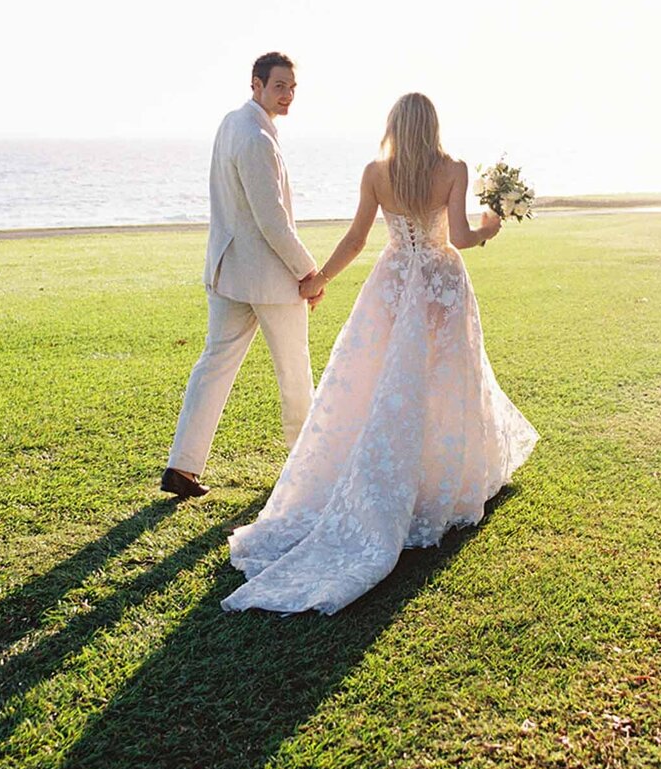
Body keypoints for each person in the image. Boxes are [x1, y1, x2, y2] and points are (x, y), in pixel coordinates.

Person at [222, 92, 538, 614]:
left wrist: (318, 278)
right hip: (439, 282)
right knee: (442, 379)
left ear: (394, 125)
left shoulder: (376, 172)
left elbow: (354, 239)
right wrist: (490, 226)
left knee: (381, 382)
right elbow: (459, 236)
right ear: (432, 125)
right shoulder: (452, 168)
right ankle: (439, 476)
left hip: (392, 283)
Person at [162, 52, 324, 500]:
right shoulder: (255, 137)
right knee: (294, 372)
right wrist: (309, 271)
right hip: (267, 280)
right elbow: (272, 221)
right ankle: (305, 469)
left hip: (229, 271)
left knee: (214, 365)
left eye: (292, 87)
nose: (287, 94)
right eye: (278, 86)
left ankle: (182, 465)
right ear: (256, 85)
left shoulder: (231, 123)